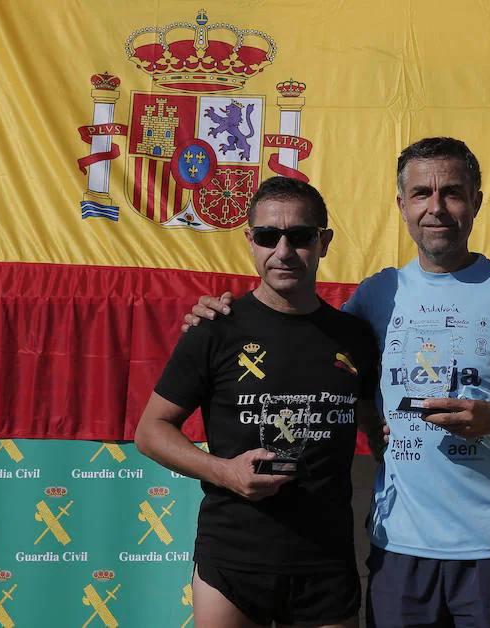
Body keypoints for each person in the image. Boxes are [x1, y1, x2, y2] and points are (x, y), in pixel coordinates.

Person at [186, 138, 490, 628]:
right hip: (398, 545)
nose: (436, 207)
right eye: (421, 193)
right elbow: (314, 356)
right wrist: (217, 315)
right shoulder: (376, 295)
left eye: (452, 192)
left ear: (477, 200)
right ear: (402, 205)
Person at [135, 177, 381, 628]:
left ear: (323, 242)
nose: (283, 251)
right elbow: (150, 432)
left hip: (324, 561)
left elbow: (376, 427)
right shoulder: (215, 329)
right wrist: (225, 471)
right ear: (250, 241)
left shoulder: (355, 336)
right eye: (269, 236)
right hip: (233, 559)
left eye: (301, 236)